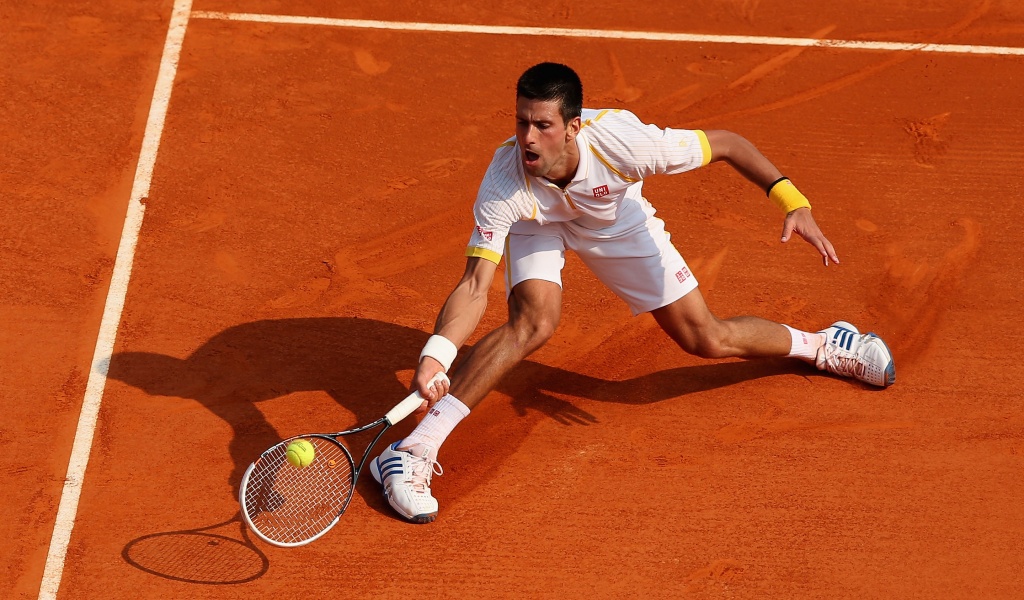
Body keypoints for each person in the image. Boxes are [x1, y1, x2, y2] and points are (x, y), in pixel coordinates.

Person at [369, 62, 895, 523]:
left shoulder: (625, 141)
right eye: (521, 121)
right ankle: (414, 448)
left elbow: (729, 144)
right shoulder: (505, 182)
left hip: (615, 223)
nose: (528, 138)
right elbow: (474, 284)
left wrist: (792, 200)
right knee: (534, 322)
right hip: (540, 221)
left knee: (706, 337)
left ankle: (824, 344)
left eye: (543, 125)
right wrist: (436, 354)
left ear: (573, 127)